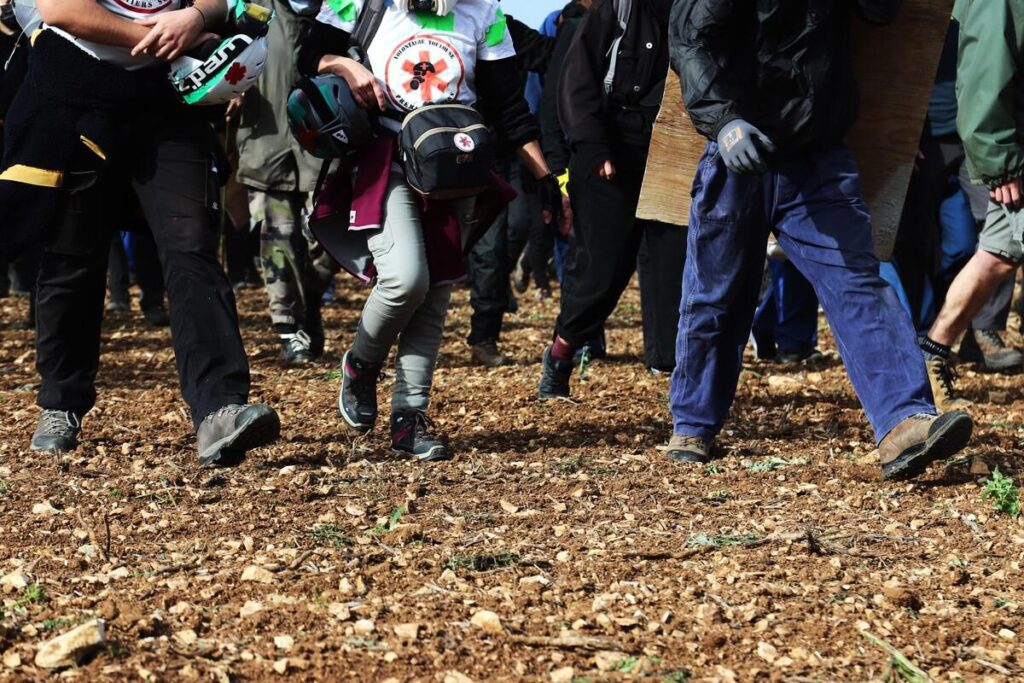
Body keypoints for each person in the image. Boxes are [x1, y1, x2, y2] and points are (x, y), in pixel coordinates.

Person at [666, 0, 973, 481]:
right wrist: (723, 122)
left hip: (818, 156)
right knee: (716, 294)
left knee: (858, 285)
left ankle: (903, 420)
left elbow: (882, 13)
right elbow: (689, 39)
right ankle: (692, 424)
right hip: (738, 150)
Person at [1, 0, 280, 465]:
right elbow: (61, 10)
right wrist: (162, 38)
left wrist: (195, 18)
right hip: (74, 96)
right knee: (72, 257)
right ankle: (60, 402)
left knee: (192, 248)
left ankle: (219, 408)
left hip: (168, 102)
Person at [298, 0, 565, 461]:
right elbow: (306, 58)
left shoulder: (485, 12)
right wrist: (344, 65)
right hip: (387, 156)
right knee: (406, 279)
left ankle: (410, 418)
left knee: (436, 292)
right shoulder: (357, 3)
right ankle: (361, 362)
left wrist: (546, 178)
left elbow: (509, 106)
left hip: (456, 166)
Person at [536, 0, 686, 396]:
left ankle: (674, 376)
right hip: (612, 153)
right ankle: (561, 355)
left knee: (674, 265)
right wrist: (592, 148)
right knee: (601, 273)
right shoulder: (614, 9)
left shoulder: (700, 9)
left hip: (676, 149)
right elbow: (575, 84)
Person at [918, 0, 1024, 407]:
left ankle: (933, 355)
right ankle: (932, 357)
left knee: (996, 255)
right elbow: (984, 73)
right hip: (1010, 151)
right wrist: (998, 159)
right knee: (995, 254)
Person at [237, 0, 339, 364]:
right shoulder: (253, 8)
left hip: (328, 147)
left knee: (330, 240)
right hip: (268, 141)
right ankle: (289, 328)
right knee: (278, 238)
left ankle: (311, 296)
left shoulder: (343, 10)